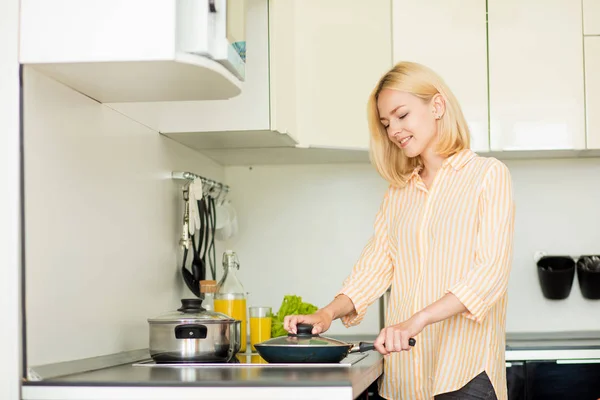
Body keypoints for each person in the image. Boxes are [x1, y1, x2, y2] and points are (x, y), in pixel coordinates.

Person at [284, 61, 515, 400]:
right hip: (405, 375)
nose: (393, 130)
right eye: (386, 123)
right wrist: (326, 314)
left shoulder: (487, 176)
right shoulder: (399, 193)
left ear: (437, 106)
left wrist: (416, 320)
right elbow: (375, 268)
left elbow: (491, 273)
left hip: (465, 372)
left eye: (402, 115)